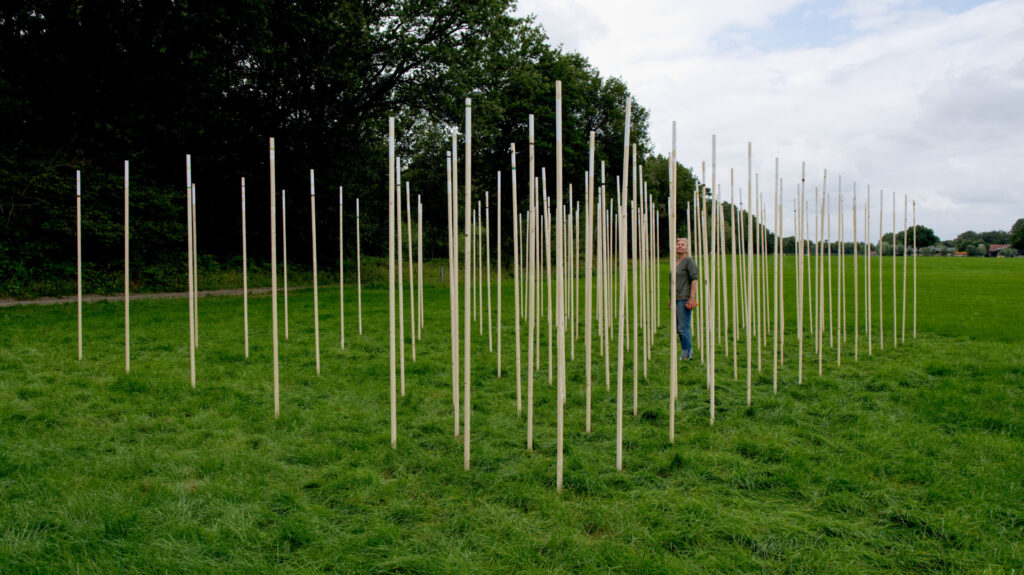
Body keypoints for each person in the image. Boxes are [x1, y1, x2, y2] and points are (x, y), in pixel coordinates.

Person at [675, 238, 698, 360]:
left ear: (687, 248)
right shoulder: (676, 262)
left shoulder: (689, 261)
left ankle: (687, 353)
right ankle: (687, 350)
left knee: (683, 328)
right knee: (678, 327)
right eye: (678, 244)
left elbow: (694, 279)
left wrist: (692, 298)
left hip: (685, 298)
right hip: (676, 298)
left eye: (682, 244)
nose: (679, 246)